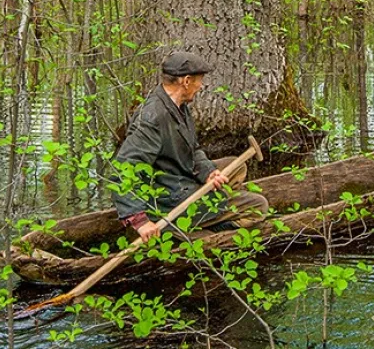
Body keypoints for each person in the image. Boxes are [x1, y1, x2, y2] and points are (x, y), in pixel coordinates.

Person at [112, 51, 269, 243]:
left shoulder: (178, 106)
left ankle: (211, 211)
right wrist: (139, 220)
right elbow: (122, 170)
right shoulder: (152, 117)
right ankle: (188, 227)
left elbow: (192, 149)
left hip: (178, 178)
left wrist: (208, 172)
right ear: (186, 81)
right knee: (258, 207)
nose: (200, 86)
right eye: (199, 81)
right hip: (168, 198)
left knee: (236, 166)